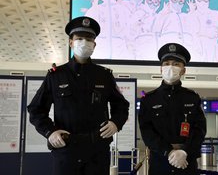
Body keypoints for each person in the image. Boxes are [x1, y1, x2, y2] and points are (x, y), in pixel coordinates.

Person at [27, 16, 130, 175]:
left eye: (88, 39)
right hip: (66, 151)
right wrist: (49, 132)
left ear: (94, 45)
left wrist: (116, 122)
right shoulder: (56, 76)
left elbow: (122, 105)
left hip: (97, 151)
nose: (84, 42)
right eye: (79, 38)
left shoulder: (104, 75)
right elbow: (35, 110)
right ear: (71, 42)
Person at [138, 43, 207, 175]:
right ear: (161, 69)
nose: (170, 67)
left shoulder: (192, 98)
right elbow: (147, 132)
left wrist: (185, 151)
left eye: (176, 64)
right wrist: (168, 151)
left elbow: (200, 129)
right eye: (166, 63)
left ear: (183, 70)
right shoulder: (149, 99)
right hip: (160, 161)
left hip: (186, 161)